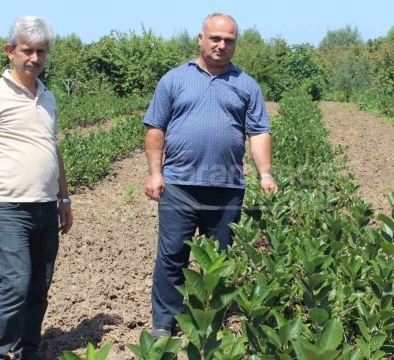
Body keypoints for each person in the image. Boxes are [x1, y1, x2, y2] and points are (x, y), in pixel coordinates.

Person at [143, 13, 278, 339]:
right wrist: (154, 173)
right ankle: (164, 322)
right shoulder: (174, 80)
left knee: (220, 259)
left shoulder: (246, 85)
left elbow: (258, 132)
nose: (221, 45)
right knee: (172, 256)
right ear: (201, 39)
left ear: (235, 44)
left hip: (227, 187)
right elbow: (155, 128)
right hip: (179, 185)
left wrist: (266, 174)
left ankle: (210, 318)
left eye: (228, 40)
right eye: (215, 38)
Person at [0, 15, 73, 360]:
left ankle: (28, 350)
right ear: (10, 50)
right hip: (9, 207)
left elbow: (52, 149)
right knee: (15, 284)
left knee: (39, 287)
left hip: (45, 205)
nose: (35, 58)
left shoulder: (49, 96)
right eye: (28, 50)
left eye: (41, 52)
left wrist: (64, 197)